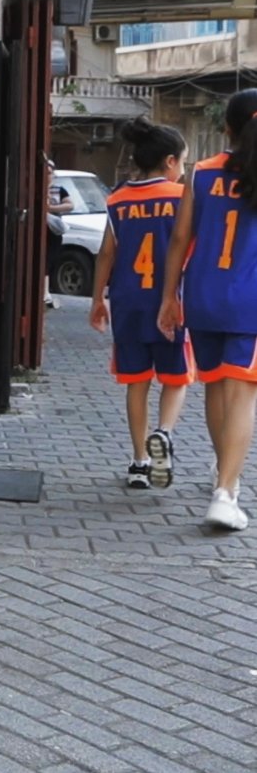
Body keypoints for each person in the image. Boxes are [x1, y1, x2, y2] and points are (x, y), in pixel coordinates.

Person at [159, 89, 257, 531]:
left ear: (227, 129)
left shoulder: (198, 174)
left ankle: (227, 484)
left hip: (201, 294)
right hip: (249, 299)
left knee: (216, 388)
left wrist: (168, 297)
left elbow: (179, 240)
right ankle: (224, 491)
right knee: (242, 394)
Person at [88, 117, 190, 490]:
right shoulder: (181, 197)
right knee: (176, 378)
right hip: (169, 302)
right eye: (183, 162)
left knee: (136, 381)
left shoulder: (117, 200)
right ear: (169, 161)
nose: (183, 170)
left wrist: (97, 299)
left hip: (128, 301)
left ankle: (138, 462)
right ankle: (163, 433)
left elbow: (105, 254)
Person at [45, 158, 73, 308]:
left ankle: (45, 292)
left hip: (53, 230)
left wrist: (51, 209)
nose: (47, 176)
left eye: (49, 173)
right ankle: (44, 293)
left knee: (49, 260)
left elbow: (70, 205)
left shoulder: (59, 189)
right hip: (40, 229)